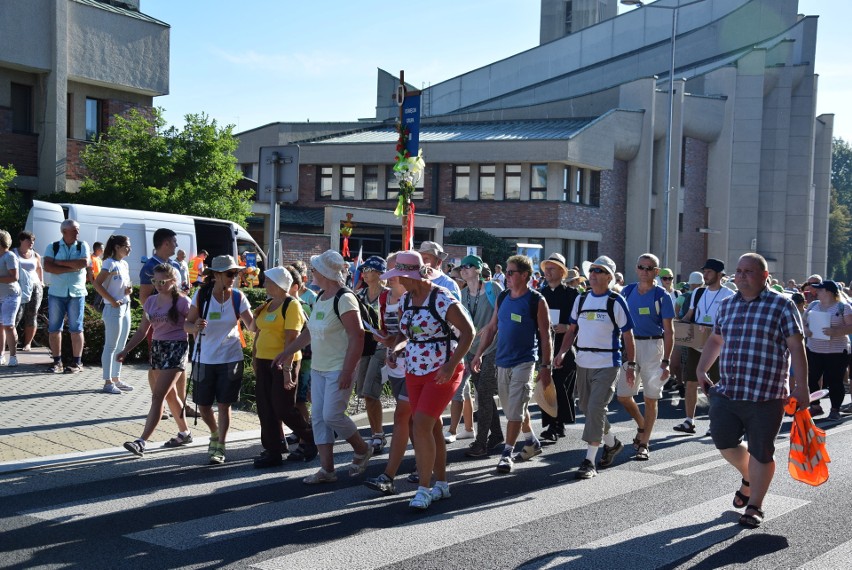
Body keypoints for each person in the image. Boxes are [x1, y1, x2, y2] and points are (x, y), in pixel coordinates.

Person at [696, 253, 808, 529]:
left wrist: (801, 386)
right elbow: (716, 338)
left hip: (766, 394)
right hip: (729, 390)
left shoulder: (781, 305)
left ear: (764, 276)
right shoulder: (727, 304)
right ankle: (749, 477)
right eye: (739, 271)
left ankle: (755, 505)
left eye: (748, 271)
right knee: (723, 441)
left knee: (761, 451)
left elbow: (796, 346)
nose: (742, 275)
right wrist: (701, 370)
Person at [378, 250, 474, 509]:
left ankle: (424, 488)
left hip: (443, 370)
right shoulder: (407, 300)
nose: (396, 281)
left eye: (399, 276)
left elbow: (468, 332)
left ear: (411, 275)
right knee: (430, 428)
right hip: (414, 369)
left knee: (419, 424)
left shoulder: (441, 298)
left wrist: (451, 365)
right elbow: (405, 335)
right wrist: (394, 348)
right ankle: (441, 484)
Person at [273, 249, 374, 484]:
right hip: (319, 367)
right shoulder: (321, 297)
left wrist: (348, 371)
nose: (312, 272)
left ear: (325, 273)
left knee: (332, 415)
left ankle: (362, 449)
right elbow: (309, 332)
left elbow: (357, 336)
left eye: (315, 269)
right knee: (318, 418)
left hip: (339, 367)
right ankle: (327, 470)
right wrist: (287, 352)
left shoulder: (345, 298)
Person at [554, 255, 636, 479]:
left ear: (609, 276)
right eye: (592, 271)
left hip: (608, 363)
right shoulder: (581, 300)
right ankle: (613, 444)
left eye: (599, 271)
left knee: (596, 408)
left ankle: (589, 460)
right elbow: (571, 331)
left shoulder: (615, 301)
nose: (593, 274)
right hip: (583, 362)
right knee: (588, 408)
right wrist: (562, 351)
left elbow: (628, 335)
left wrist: (631, 365)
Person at [473, 254, 553, 474]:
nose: (506, 276)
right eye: (506, 272)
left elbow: (546, 337)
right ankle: (532, 442)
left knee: (515, 410)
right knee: (513, 409)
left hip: (525, 362)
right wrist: (479, 354)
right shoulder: (503, 297)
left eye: (510, 272)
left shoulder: (537, 300)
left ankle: (507, 453)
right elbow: (491, 328)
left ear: (524, 275)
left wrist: (546, 368)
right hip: (502, 360)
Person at [185, 255, 255, 465]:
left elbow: (252, 326)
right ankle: (214, 433)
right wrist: (195, 326)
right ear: (216, 275)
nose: (234, 277)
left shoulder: (238, 297)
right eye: (230, 274)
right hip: (203, 357)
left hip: (231, 357)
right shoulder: (201, 295)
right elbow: (186, 325)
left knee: (225, 405)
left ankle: (220, 445)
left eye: (236, 273)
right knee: (203, 405)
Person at [120, 264, 194, 456]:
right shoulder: (151, 301)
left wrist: (195, 328)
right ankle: (185, 432)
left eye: (162, 281)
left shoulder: (183, 302)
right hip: (158, 349)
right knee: (169, 396)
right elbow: (143, 330)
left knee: (158, 396)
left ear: (173, 281)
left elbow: (192, 325)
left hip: (177, 349)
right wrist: (126, 350)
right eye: (155, 281)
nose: (158, 285)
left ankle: (141, 441)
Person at [250, 266, 317, 468]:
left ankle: (311, 438)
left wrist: (287, 370)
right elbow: (258, 332)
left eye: (268, 281)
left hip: (283, 362)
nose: (264, 284)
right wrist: (254, 357)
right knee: (266, 408)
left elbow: (292, 338)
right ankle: (273, 451)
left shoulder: (292, 305)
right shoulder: (267, 304)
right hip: (263, 361)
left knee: (283, 407)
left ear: (279, 284)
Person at [365, 252, 419, 494]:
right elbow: (394, 331)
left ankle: (390, 475)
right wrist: (385, 340)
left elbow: (411, 334)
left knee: (403, 417)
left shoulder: (416, 297)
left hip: (417, 364)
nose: (386, 276)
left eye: (391, 270)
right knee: (410, 419)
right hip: (396, 362)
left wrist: (395, 344)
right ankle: (425, 464)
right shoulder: (387, 296)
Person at [617, 254, 675, 460]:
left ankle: (644, 443)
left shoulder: (662, 295)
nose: (644, 271)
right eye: (641, 267)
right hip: (631, 346)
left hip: (653, 346)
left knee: (651, 398)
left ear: (656, 272)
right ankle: (643, 425)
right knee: (623, 395)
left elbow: (669, 331)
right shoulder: (627, 291)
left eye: (649, 268)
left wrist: (666, 360)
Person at [676, 258, 734, 434]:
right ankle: (688, 421)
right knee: (691, 382)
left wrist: (713, 329)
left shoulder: (729, 295)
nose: (705, 275)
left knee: (716, 385)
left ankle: (715, 422)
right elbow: (690, 315)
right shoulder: (698, 293)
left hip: (717, 344)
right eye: (705, 271)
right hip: (697, 343)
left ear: (719, 275)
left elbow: (731, 322)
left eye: (709, 272)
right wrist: (678, 326)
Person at [140, 229, 193, 419]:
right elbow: (144, 297)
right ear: (165, 243)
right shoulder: (150, 266)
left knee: (180, 367)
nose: (177, 246)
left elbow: (179, 293)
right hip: (159, 326)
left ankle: (181, 404)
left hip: (177, 332)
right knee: (156, 368)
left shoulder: (173, 265)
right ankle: (159, 404)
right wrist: (157, 315)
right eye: (174, 242)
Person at [457, 254, 504, 456]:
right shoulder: (463, 293)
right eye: (461, 267)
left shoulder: (494, 289)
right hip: (472, 349)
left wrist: (490, 326)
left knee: (483, 392)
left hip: (493, 348)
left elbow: (504, 315)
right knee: (483, 393)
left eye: (468, 266)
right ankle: (497, 435)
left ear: (478, 269)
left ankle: (481, 442)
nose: (464, 269)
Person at [538, 252, 579, 439]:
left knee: (561, 385)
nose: (548, 271)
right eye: (546, 268)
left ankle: (558, 424)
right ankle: (551, 425)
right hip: (545, 347)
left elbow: (579, 323)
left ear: (562, 272)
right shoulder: (540, 295)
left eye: (552, 268)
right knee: (546, 386)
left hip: (566, 347)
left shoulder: (572, 294)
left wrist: (567, 327)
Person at [43, 219, 91, 373]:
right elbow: (48, 266)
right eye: (75, 230)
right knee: (54, 328)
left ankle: (77, 363)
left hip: (76, 293)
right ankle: (57, 363)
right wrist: (72, 267)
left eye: (78, 229)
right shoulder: (53, 246)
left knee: (77, 328)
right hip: (56, 293)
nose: (78, 232)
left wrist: (60, 264)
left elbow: (83, 263)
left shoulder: (83, 245)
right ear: (64, 232)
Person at [353, 255, 390, 455]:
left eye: (368, 270)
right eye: (364, 270)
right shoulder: (359, 295)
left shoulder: (389, 294)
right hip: (364, 347)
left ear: (379, 273)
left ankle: (378, 435)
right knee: (364, 394)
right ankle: (377, 433)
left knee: (369, 391)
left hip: (382, 347)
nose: (364, 273)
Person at [802, 280, 852, 420]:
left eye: (820, 289)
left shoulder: (843, 307)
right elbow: (803, 322)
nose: (816, 291)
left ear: (829, 292)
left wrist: (835, 331)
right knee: (811, 379)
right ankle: (815, 406)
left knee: (834, 381)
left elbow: (851, 326)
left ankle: (835, 409)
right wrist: (806, 330)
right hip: (814, 349)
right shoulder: (813, 305)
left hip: (836, 351)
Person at [92, 235, 135, 394]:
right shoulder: (109, 263)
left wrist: (128, 291)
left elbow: (122, 285)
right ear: (117, 247)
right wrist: (111, 299)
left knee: (121, 346)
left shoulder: (124, 264)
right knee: (110, 346)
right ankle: (107, 382)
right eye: (127, 246)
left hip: (125, 307)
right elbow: (97, 283)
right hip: (113, 309)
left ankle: (116, 378)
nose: (129, 248)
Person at [13, 231, 43, 352]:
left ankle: (27, 343)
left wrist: (41, 282)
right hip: (18, 287)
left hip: (35, 287)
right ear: (21, 240)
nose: (32, 243)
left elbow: (39, 268)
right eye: (29, 240)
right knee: (16, 315)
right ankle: (9, 342)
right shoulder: (13, 253)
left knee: (32, 315)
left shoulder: (35, 255)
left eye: (33, 240)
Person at [0, 230, 22, 367]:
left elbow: (14, 277)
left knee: (9, 325)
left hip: (11, 295)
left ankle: (13, 357)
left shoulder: (9, 256)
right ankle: (1, 355)